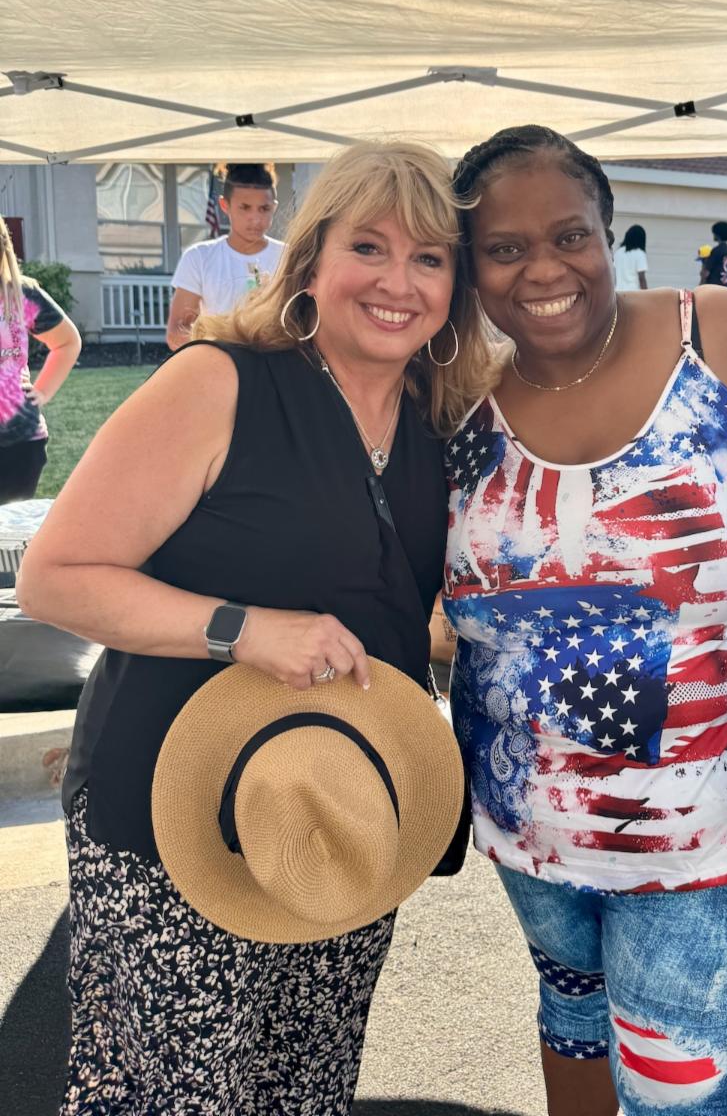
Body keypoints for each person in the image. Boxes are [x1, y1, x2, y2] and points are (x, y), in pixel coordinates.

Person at [16, 140, 494, 1114]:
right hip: (175, 814)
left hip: (338, 807)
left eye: (430, 258)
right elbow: (55, 577)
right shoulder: (221, 382)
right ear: (310, 260)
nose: (398, 282)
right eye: (371, 247)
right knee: (180, 1095)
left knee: (306, 1086)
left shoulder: (434, 414)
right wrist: (245, 630)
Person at [443, 124, 727, 1116]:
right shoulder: (461, 396)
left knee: (679, 1098)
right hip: (528, 832)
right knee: (570, 1025)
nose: (544, 269)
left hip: (704, 845)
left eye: (570, 236)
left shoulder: (720, 335)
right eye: (505, 249)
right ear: (472, 268)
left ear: (608, 231)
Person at [0, 216, 82, 502]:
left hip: (20, 444)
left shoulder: (20, 295)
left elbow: (67, 342)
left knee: (8, 538)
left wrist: (43, 392)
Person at [166, 162, 285, 350]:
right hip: (219, 366)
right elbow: (177, 333)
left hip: (276, 365)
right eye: (245, 208)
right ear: (225, 205)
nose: (255, 218)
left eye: (264, 209)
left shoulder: (289, 257)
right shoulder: (199, 257)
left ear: (274, 207)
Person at [699, 219, 727, 290]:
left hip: (714, 286)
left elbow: (706, 272)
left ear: (718, 234)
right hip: (725, 286)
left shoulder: (717, 250)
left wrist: (700, 286)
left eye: (714, 233)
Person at [612, 223, 649, 290]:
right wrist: (648, 295)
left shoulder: (618, 252)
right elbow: (641, 278)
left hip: (618, 293)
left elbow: (614, 275)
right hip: (633, 294)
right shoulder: (640, 254)